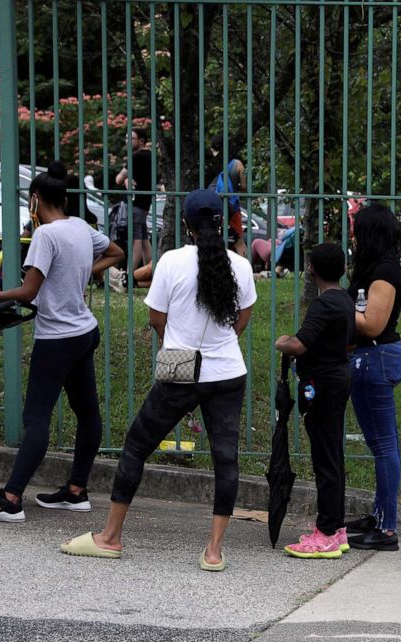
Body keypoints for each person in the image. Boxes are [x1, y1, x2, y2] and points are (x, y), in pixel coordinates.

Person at [59, 189, 257, 569]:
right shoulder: (241, 265)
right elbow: (242, 315)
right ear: (221, 223)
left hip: (180, 372)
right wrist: (225, 343)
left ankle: (110, 537)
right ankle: (214, 551)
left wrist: (172, 343)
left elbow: (156, 317)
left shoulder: (170, 262)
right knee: (225, 461)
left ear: (185, 224)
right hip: (228, 372)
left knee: (136, 447)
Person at [0, 162, 124, 523]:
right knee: (87, 414)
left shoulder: (46, 236)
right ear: (64, 197)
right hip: (84, 333)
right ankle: (76, 491)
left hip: (56, 339)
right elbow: (117, 253)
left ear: (34, 200)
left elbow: (28, 292)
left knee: (36, 419)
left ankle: (11, 498)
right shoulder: (81, 227)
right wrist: (83, 271)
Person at [275, 243, 355, 558]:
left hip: (322, 385)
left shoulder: (323, 305)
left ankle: (326, 532)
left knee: (325, 458)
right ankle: (335, 528)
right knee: (332, 454)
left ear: (312, 270)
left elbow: (299, 344)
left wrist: (283, 343)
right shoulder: (346, 300)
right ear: (343, 269)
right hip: (337, 379)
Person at [344, 204, 401, 551]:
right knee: (384, 445)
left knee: (384, 447)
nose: (352, 234)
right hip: (371, 358)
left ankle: (386, 529)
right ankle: (380, 514)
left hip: (375, 358)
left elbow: (373, 324)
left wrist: (337, 309)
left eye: (356, 228)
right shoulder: (374, 268)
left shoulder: (384, 273)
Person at [114, 127, 153, 272]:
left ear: (141, 141)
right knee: (143, 238)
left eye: (131, 138)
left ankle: (129, 276)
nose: (127, 141)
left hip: (135, 201)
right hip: (145, 201)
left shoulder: (136, 157)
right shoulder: (150, 156)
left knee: (135, 238)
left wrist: (126, 179)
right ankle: (150, 270)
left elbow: (119, 179)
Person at [210, 158, 247, 257]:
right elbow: (244, 187)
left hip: (212, 205)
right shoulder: (236, 163)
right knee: (239, 242)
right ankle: (243, 268)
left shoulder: (208, 162)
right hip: (231, 205)